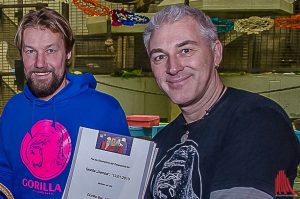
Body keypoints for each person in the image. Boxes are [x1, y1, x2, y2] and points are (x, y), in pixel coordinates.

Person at [143, 4, 300, 199]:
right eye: (159, 57)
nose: (173, 67)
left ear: (216, 53)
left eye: (186, 50)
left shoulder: (257, 120)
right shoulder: (162, 141)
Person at [0, 7, 130, 199]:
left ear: (68, 52)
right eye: (30, 51)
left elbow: (121, 183)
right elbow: (4, 174)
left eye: (51, 50)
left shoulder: (105, 110)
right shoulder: (13, 110)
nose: (40, 62)